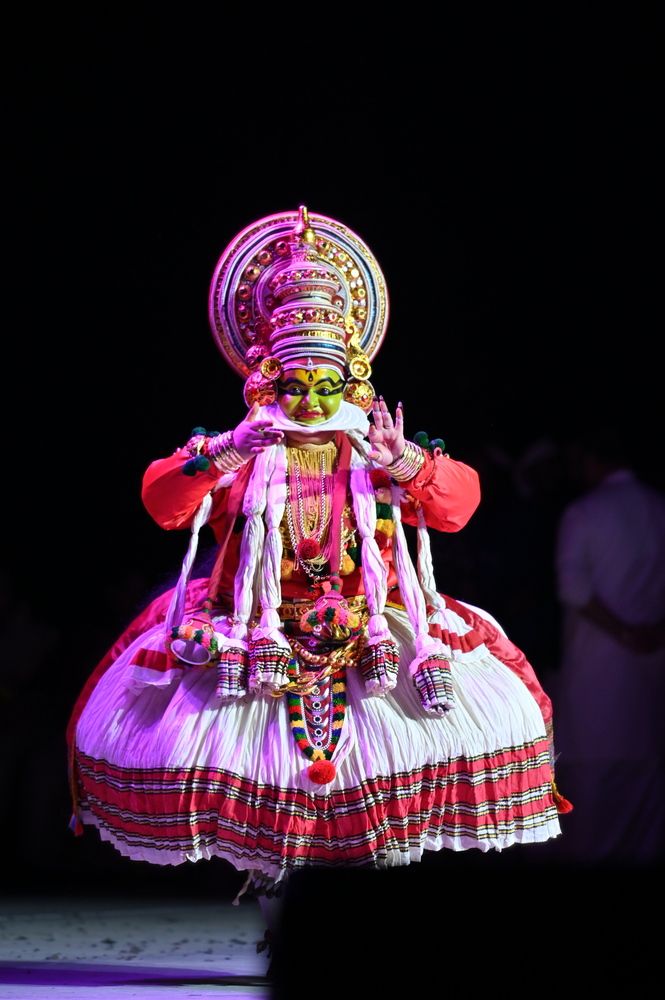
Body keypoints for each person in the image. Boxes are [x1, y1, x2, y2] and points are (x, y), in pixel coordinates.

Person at [66, 206, 571, 963]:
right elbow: (163, 503)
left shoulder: (375, 447)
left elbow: (459, 506)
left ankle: (355, 931)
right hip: (253, 635)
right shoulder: (242, 450)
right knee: (273, 801)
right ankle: (283, 918)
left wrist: (406, 464)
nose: (308, 400)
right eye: (295, 384)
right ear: (268, 379)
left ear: (350, 379)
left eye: (324, 384)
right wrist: (229, 451)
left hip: (369, 632)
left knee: (370, 795)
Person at [551, 426, 665, 866]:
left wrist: (623, 632)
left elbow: (573, 589)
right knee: (647, 808)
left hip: (598, 671)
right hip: (651, 668)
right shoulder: (657, 507)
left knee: (591, 811)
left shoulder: (583, 512)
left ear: (591, 460)